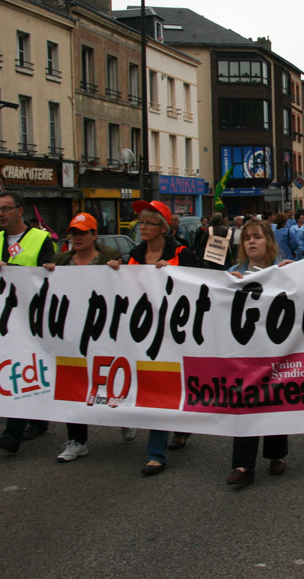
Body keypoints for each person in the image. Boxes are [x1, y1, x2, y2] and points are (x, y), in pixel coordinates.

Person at [42, 212, 136, 463]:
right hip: (71, 336)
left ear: (94, 235)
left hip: (104, 332)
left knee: (108, 379)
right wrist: (46, 273)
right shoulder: (60, 261)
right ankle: (78, 440)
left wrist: (118, 271)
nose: (78, 237)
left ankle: (124, 417)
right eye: (74, 232)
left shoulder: (109, 259)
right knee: (72, 384)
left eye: (83, 232)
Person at [112, 199, 196, 475]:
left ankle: (164, 444)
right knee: (158, 386)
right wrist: (112, 271)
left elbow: (198, 287)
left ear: (162, 228)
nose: (142, 227)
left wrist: (174, 275)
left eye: (148, 222)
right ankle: (161, 447)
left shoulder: (180, 252)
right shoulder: (134, 256)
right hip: (144, 332)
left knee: (170, 384)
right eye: (140, 222)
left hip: (176, 330)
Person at [224, 219, 293, 487]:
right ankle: (242, 465)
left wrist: (294, 273)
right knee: (245, 401)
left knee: (275, 399)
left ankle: (277, 455)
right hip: (244, 350)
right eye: (247, 238)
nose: (252, 241)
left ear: (269, 243)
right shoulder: (232, 272)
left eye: (258, 237)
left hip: (275, 348)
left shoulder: (284, 270)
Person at [0, 192, 56, 454]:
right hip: (6, 316)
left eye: (5, 209)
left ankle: (12, 433)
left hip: (35, 315)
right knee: (22, 367)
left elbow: (46, 271)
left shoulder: (40, 238)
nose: (1, 214)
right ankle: (36, 421)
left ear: (19, 211)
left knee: (24, 367)